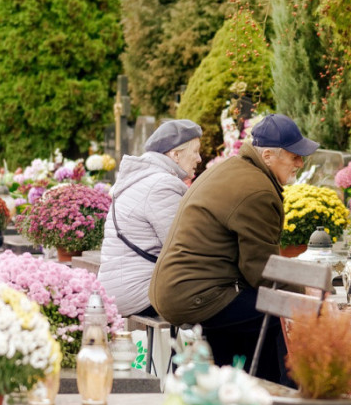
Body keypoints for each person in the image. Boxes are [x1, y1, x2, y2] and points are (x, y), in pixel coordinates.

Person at [149, 114, 318, 383]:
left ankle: (237, 395)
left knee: (252, 315)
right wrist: (306, 292)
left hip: (180, 289)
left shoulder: (235, 169)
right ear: (268, 156)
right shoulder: (259, 190)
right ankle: (281, 404)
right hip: (196, 295)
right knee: (279, 316)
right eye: (294, 155)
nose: (300, 162)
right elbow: (261, 272)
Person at [98, 119, 202, 317]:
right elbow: (183, 247)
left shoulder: (142, 179)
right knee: (227, 304)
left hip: (119, 288)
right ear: (176, 154)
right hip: (138, 292)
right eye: (195, 151)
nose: (199, 158)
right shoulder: (162, 185)